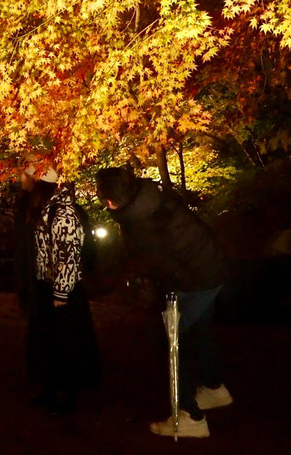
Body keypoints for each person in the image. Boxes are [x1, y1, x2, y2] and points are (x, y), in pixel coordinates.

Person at [95, 166, 231, 438]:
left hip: (196, 278)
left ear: (109, 200)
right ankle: (215, 389)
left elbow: (162, 266)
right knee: (198, 332)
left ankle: (190, 416)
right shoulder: (150, 195)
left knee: (168, 340)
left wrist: (166, 298)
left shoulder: (139, 224)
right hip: (212, 265)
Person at [25, 172, 100, 415]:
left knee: (65, 342)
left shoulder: (63, 213)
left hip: (63, 291)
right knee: (48, 340)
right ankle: (50, 388)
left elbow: (67, 255)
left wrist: (61, 292)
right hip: (48, 284)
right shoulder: (46, 208)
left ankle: (67, 395)